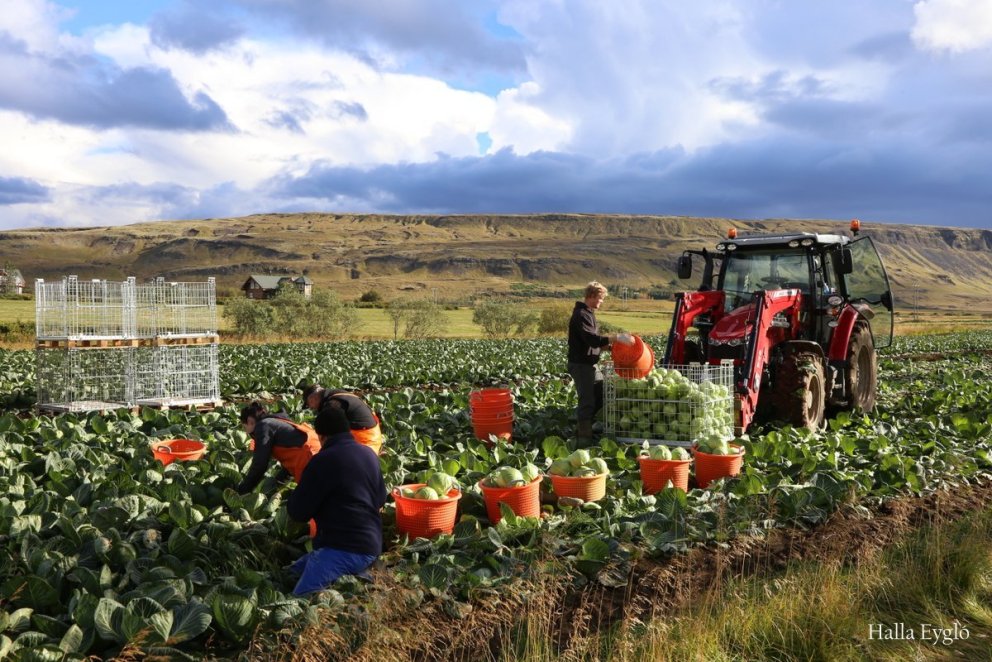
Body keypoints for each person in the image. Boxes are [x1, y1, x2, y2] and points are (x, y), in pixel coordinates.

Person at [286, 404, 387, 596]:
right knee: (291, 574)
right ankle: (359, 574)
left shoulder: (322, 461)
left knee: (300, 598)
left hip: (341, 549)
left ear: (322, 436)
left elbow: (298, 512)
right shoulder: (368, 454)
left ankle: (360, 578)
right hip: (373, 545)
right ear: (347, 430)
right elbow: (381, 498)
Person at [567, 281, 629, 443]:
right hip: (581, 365)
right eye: (600, 299)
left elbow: (589, 343)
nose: (601, 302)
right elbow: (592, 340)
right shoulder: (581, 315)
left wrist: (609, 348)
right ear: (592, 296)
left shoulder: (588, 313)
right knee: (586, 400)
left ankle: (582, 428)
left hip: (590, 364)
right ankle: (584, 439)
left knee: (601, 390)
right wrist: (617, 338)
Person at [237, 402, 322, 495]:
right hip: (319, 454)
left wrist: (243, 490)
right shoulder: (279, 420)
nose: (246, 433)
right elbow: (288, 463)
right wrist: (276, 485)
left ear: (250, 421)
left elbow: (260, 464)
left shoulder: (263, 426)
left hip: (308, 459)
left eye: (244, 427)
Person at [302, 384, 384, 455]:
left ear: (313, 398)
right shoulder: (337, 394)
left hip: (366, 442)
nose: (311, 408)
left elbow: (330, 436)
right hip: (374, 436)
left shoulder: (333, 404)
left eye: (309, 404)